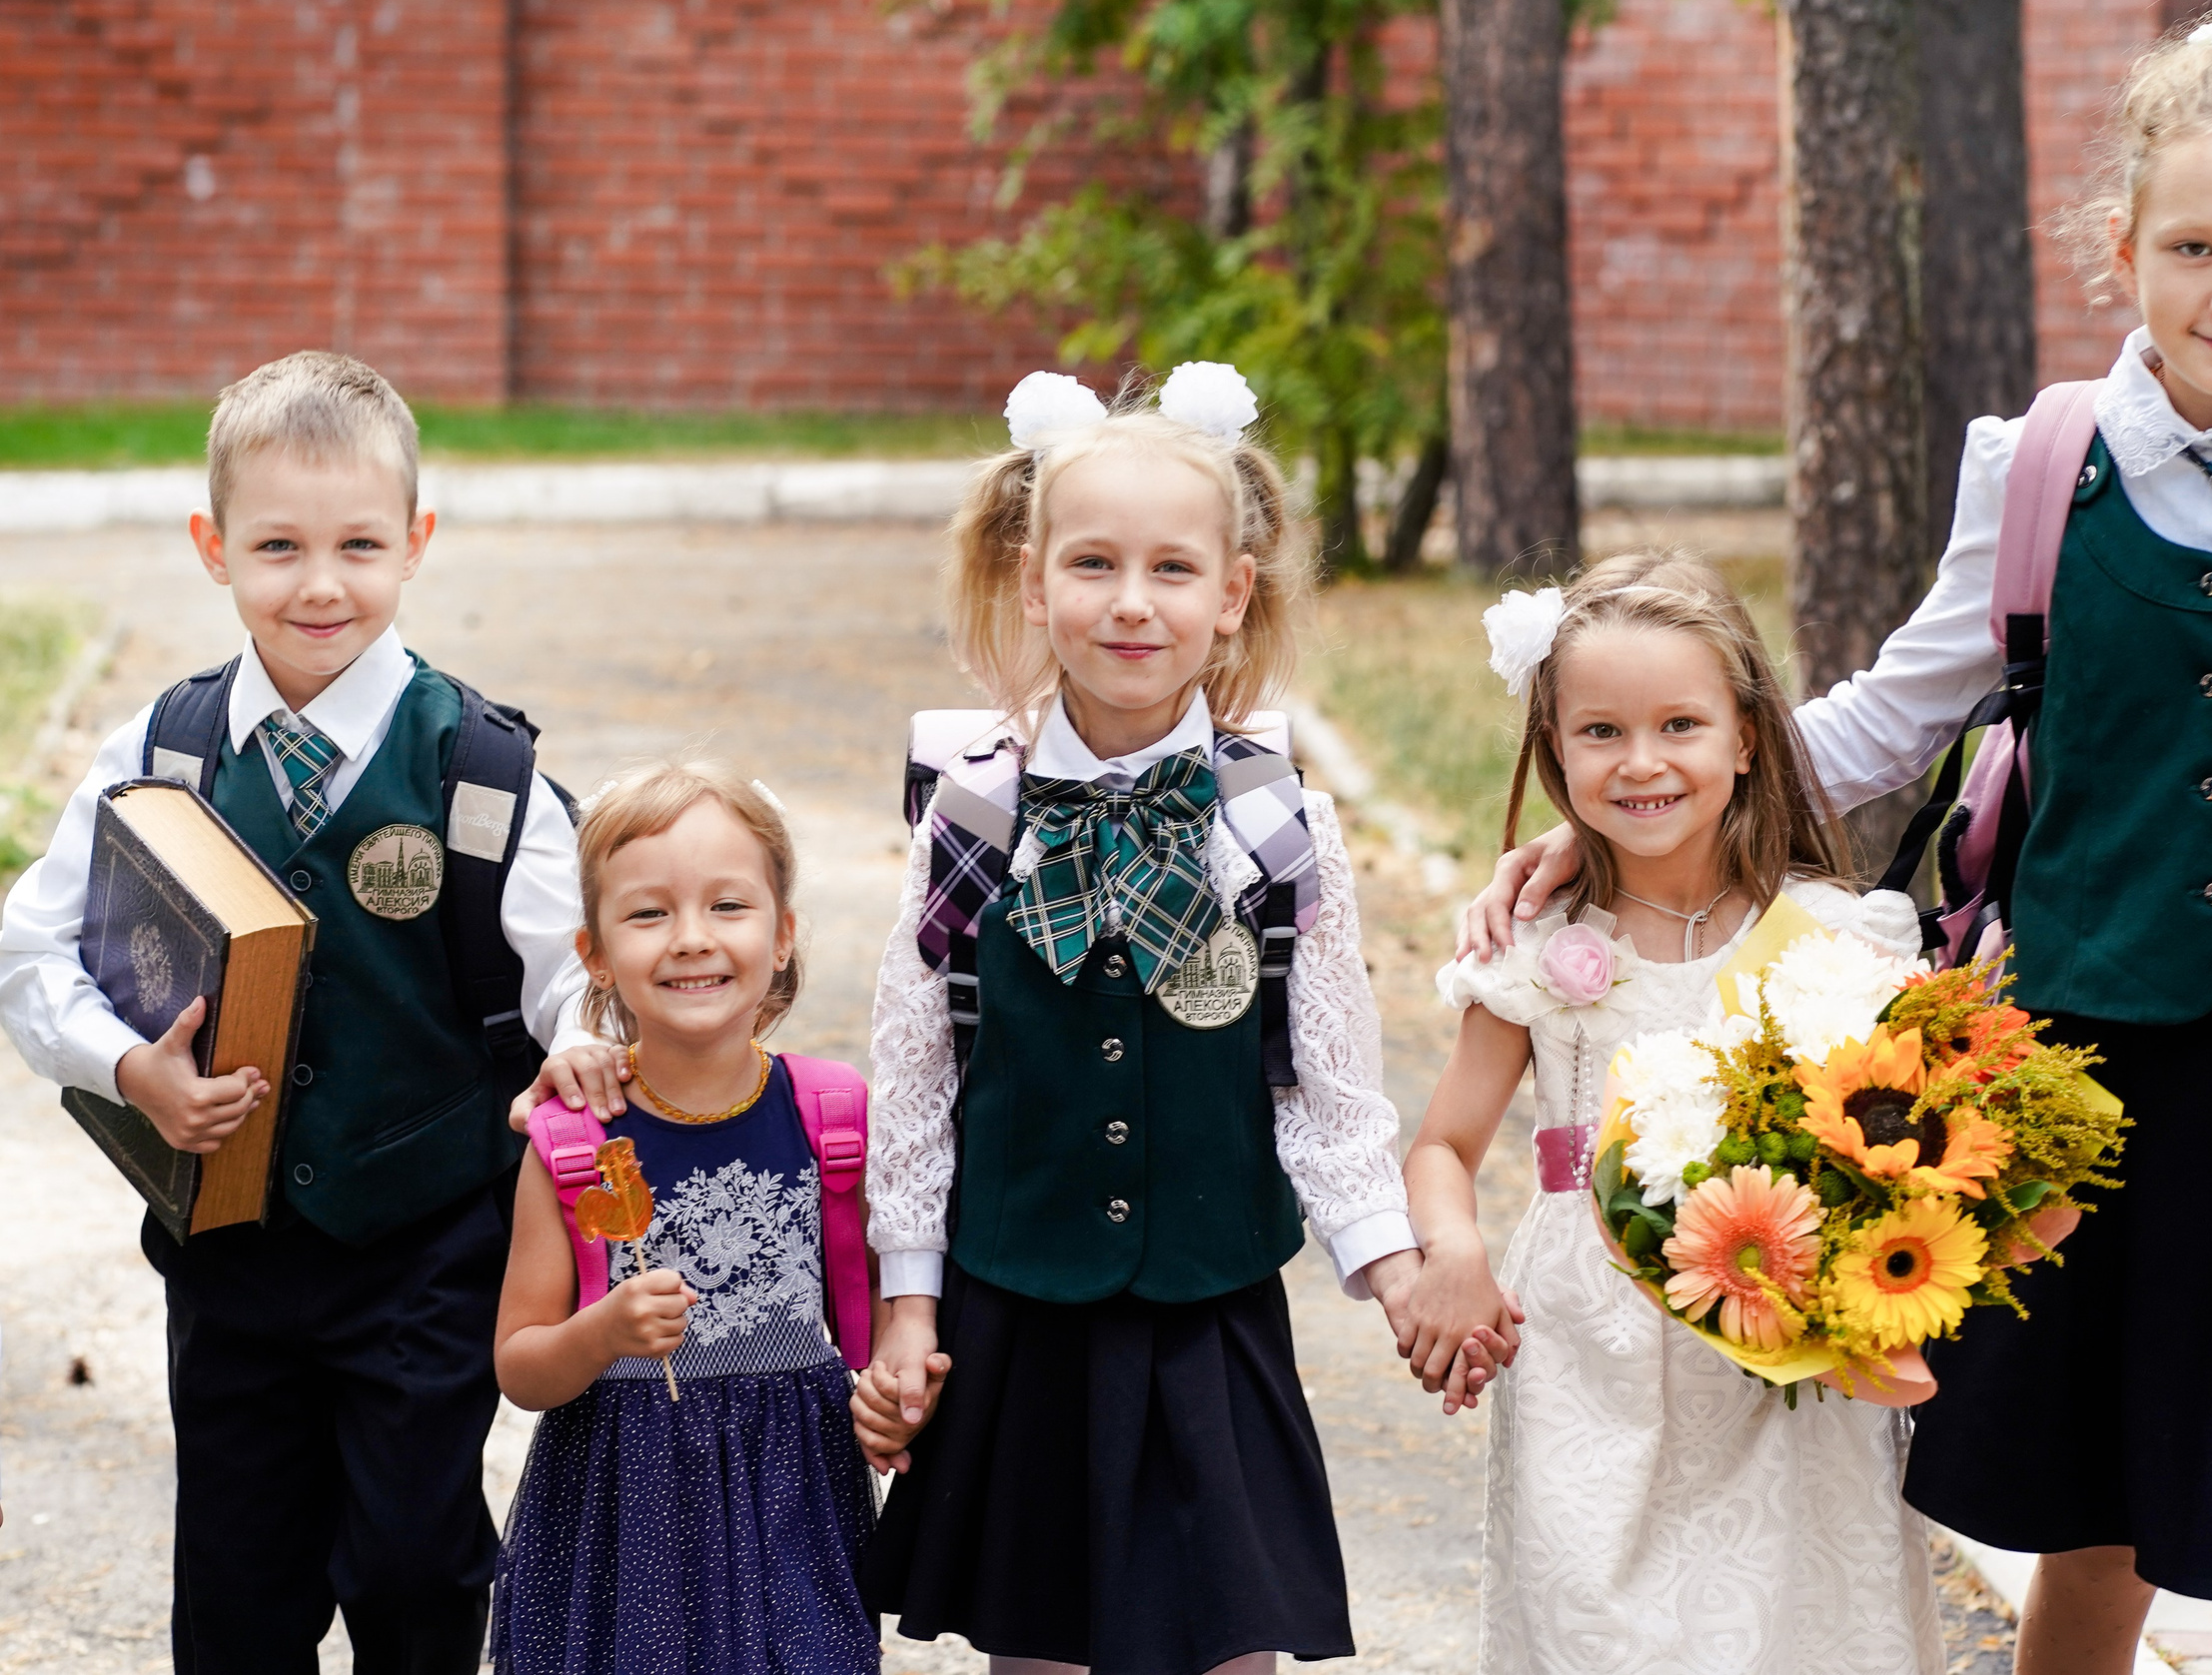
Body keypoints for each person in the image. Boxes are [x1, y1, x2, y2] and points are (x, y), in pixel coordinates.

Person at [1459, 11, 2212, 1675]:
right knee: (2090, 1514)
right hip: (2075, 1082)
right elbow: (1887, 723)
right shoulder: (2042, 465)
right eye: (2191, 247)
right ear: (2122, 248)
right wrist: (1631, 822)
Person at [0, 351, 590, 1671]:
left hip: (427, 1239)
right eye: (277, 544)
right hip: (228, 1243)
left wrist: (589, 1033)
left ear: (416, 542)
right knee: (238, 1574)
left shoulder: (482, 769)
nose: (320, 582)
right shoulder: (164, 753)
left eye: (358, 543)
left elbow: (566, 962)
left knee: (412, 1558)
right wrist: (125, 1067)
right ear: (214, 546)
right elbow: (33, 950)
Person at [853, 365, 1431, 1675]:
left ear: (1231, 596)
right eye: (1094, 564)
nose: (1130, 601)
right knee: (1040, 1645)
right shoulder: (972, 814)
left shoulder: (1277, 823)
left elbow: (1323, 1081)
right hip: (1021, 1304)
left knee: (1232, 1643)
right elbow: (920, 1077)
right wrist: (907, 1302)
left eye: (1173, 569)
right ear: (1031, 581)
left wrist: (1395, 1266)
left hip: (1209, 1307)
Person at [1407, 552, 1943, 1675]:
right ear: (1553, 747)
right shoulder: (1542, 948)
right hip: (1586, 1350)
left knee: (1800, 1631)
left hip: (1789, 1347)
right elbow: (1444, 1145)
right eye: (1598, 731)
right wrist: (1449, 1253)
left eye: (1679, 726)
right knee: (1594, 1637)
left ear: (1747, 737)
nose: (1640, 762)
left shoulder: (1841, 938)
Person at [489, 759, 880, 1673]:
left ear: (783, 936)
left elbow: (883, 1307)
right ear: (592, 953)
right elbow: (520, 1365)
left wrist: (898, 1387)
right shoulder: (573, 1142)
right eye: (649, 912)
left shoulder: (833, 1117)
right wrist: (603, 1332)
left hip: (794, 1503)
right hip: (622, 1514)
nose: (691, 939)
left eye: (728, 907)